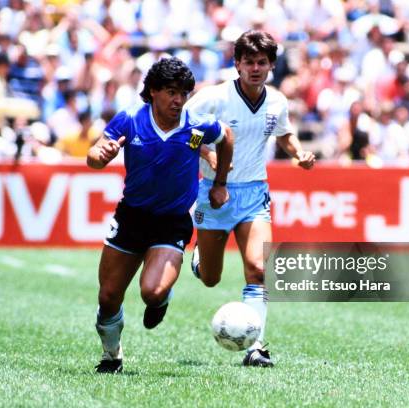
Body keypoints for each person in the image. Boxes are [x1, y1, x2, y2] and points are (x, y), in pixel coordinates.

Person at [86, 57, 234, 374]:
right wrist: (100, 155)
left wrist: (219, 183)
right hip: (131, 218)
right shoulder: (129, 119)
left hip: (171, 222)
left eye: (183, 93)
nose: (178, 100)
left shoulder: (195, 122)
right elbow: (95, 155)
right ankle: (112, 355)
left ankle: (162, 299)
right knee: (109, 296)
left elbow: (226, 138)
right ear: (153, 91)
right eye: (171, 92)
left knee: (151, 292)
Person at [185, 30, 315, 367]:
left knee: (258, 269)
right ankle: (201, 259)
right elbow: (188, 135)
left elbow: (285, 134)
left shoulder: (277, 102)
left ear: (271, 65)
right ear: (237, 64)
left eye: (261, 62)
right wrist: (210, 158)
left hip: (254, 193)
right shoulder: (213, 99)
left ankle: (256, 347)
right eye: (248, 62)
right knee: (211, 279)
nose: (255, 68)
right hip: (215, 194)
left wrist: (298, 154)